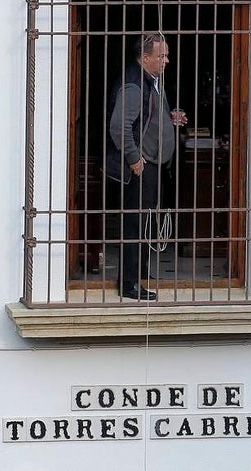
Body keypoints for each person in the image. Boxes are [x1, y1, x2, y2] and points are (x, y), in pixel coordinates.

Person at [106, 33, 189, 301]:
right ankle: (130, 285)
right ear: (145, 58)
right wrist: (134, 158)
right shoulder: (134, 85)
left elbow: (147, 117)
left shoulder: (151, 81)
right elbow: (119, 127)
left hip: (152, 163)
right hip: (140, 166)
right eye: (161, 56)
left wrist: (169, 117)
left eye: (166, 55)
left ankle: (139, 272)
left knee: (144, 221)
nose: (167, 60)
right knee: (135, 223)